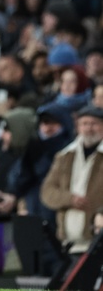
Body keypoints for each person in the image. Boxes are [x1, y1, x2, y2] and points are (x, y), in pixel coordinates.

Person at [40, 105, 103, 254]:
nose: (89, 128)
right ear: (77, 127)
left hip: (97, 242)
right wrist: (69, 199)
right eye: (84, 124)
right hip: (68, 243)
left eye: (94, 123)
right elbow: (47, 191)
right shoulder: (64, 156)